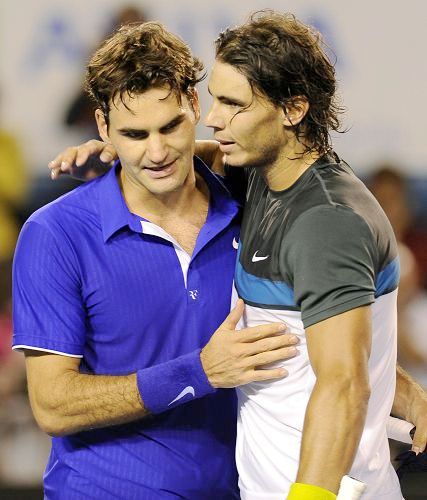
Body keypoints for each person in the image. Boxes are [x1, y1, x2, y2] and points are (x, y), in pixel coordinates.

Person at [48, 13, 427, 500]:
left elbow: (344, 385)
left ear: (292, 109)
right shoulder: (268, 177)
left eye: (233, 104)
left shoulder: (325, 224)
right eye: (214, 99)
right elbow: (328, 339)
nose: (213, 118)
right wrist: (121, 157)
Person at [12, 22, 300, 499]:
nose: (158, 151)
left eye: (170, 126)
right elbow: (53, 406)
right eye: (134, 134)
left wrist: (401, 388)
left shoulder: (253, 202)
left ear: (194, 104)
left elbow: (320, 325)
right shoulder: (55, 234)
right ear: (103, 128)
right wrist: (200, 372)